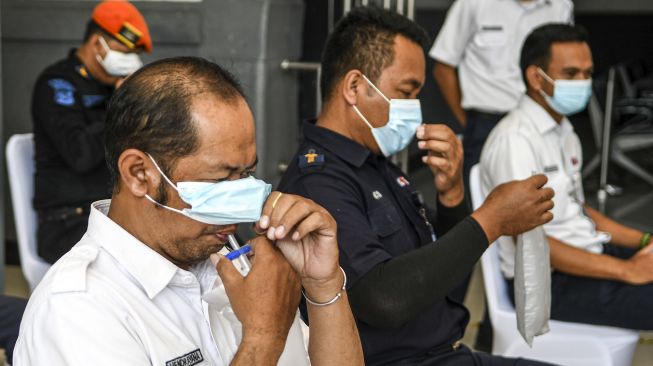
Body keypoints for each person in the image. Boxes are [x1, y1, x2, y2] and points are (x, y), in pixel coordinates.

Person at [14, 57, 364, 365]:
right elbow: (266, 339)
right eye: (219, 180)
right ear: (139, 174)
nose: (241, 207)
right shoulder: (78, 309)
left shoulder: (232, 261)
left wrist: (323, 284)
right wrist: (262, 338)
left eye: (245, 175)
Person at [279, 7, 555, 365]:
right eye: (406, 92)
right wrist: (491, 220)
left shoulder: (377, 165)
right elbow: (384, 301)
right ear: (354, 87)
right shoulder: (318, 182)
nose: (415, 109)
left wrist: (452, 194)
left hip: (446, 352)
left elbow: (445, 283)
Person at [480, 23, 653, 331]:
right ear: (536, 77)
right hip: (549, 283)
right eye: (571, 74)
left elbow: (579, 211)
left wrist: (644, 241)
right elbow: (531, 244)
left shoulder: (563, 130)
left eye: (587, 74)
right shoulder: (516, 141)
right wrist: (628, 270)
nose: (583, 83)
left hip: (588, 253)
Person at [31, 0, 150, 263]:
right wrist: (120, 105)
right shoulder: (56, 84)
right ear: (98, 44)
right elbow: (80, 155)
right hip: (67, 221)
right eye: (124, 51)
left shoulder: (113, 86)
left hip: (112, 216)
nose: (131, 61)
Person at [430, 0, 573, 188]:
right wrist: (468, 123)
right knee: (480, 203)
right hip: (485, 124)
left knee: (548, 193)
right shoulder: (472, 3)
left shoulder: (560, 6)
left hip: (541, 121)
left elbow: (567, 61)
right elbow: (443, 67)